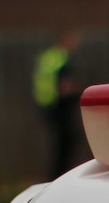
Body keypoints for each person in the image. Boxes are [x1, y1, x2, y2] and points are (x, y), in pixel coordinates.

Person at [33, 30, 82, 179]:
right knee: (67, 144)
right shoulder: (61, 59)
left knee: (61, 145)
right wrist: (79, 89)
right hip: (59, 108)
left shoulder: (49, 56)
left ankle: (55, 177)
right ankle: (59, 178)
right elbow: (64, 87)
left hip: (47, 105)